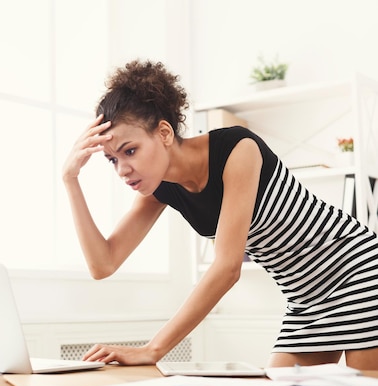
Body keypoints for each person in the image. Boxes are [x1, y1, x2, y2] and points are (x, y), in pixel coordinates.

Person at [62, 59, 378, 369]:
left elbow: (227, 267)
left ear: (164, 133)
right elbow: (103, 264)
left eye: (130, 151)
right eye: (112, 160)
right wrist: (70, 179)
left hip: (355, 270)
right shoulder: (157, 189)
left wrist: (153, 349)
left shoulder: (237, 149)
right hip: (306, 300)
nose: (122, 169)